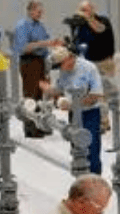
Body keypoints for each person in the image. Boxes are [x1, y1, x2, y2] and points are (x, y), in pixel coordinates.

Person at [40, 46, 105, 175]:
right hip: (74, 114)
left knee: (91, 149)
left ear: (69, 58)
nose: (61, 69)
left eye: (61, 65)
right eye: (58, 67)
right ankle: (81, 180)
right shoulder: (64, 70)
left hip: (90, 114)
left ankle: (94, 180)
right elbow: (60, 87)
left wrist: (73, 105)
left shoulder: (89, 68)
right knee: (76, 148)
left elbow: (95, 95)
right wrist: (49, 90)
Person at [13, 0, 53, 130]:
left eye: (41, 11)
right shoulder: (22, 26)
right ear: (30, 11)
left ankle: (41, 125)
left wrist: (48, 64)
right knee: (30, 96)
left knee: (41, 96)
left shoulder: (40, 26)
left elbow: (46, 45)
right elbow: (23, 47)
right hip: (29, 62)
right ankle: (31, 128)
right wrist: (43, 44)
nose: (40, 14)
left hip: (40, 62)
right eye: (38, 11)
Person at [72, 0, 117, 81]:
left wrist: (89, 19)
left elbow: (100, 30)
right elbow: (77, 41)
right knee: (92, 89)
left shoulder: (103, 20)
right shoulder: (81, 25)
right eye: (82, 10)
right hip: (89, 61)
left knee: (108, 88)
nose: (84, 12)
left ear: (93, 9)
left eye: (86, 9)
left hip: (105, 61)